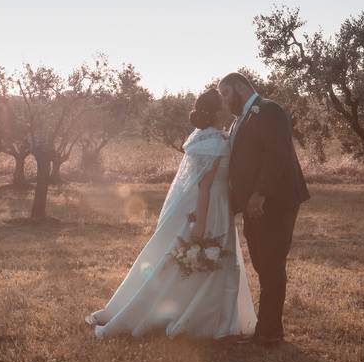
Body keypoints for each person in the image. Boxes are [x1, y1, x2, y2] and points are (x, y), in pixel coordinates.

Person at [86, 88, 257, 339]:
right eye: (224, 101)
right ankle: (204, 318)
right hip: (211, 207)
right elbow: (205, 186)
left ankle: (204, 312)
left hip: (211, 204)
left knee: (187, 260)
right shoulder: (216, 144)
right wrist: (200, 225)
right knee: (208, 258)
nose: (229, 103)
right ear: (217, 111)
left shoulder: (204, 137)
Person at [217, 72, 310, 345]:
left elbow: (277, 154)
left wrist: (260, 194)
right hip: (253, 205)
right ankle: (268, 328)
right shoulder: (241, 120)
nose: (224, 102)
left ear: (238, 87)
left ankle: (269, 333)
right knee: (261, 261)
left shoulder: (270, 110)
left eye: (225, 95)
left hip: (276, 201)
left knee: (271, 262)